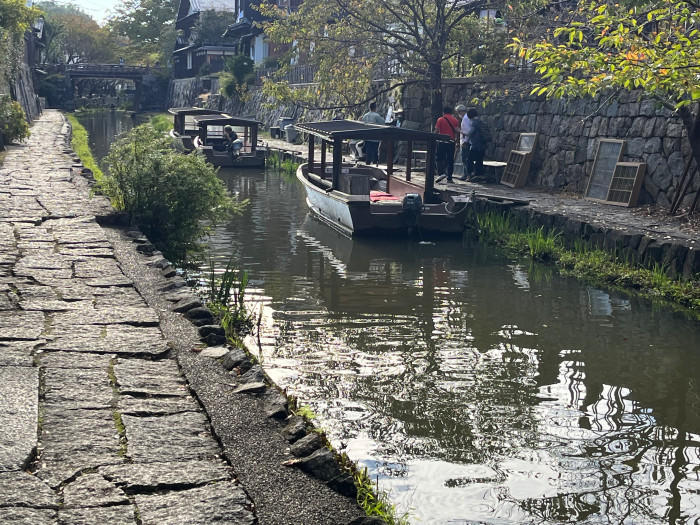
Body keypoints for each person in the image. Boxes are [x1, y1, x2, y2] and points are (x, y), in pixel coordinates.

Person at [434, 105, 460, 183]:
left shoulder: (440, 119)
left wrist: (433, 138)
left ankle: (441, 173)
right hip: (451, 142)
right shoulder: (455, 120)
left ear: (443, 112)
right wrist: (457, 140)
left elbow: (437, 130)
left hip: (441, 142)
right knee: (450, 159)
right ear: (451, 112)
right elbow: (457, 131)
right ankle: (449, 178)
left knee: (439, 158)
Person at [464, 108, 489, 180]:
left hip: (475, 145)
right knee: (479, 160)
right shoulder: (482, 121)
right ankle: (479, 176)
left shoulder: (474, 122)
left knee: (469, 160)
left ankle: (469, 175)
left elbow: (471, 133)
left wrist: (465, 140)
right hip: (483, 144)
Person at [456, 104, 471, 180]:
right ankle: (466, 175)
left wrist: (459, 131)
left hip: (465, 142)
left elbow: (467, 132)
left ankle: (467, 175)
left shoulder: (465, 119)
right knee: (465, 159)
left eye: (458, 112)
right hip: (466, 141)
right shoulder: (467, 118)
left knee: (465, 159)